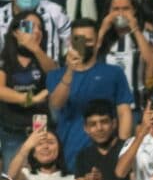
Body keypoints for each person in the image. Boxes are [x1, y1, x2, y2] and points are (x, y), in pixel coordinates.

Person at [46, 18, 134, 170]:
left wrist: (122, 150)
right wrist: (69, 70)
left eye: (89, 40)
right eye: (78, 40)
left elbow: (124, 113)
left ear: (98, 42)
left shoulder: (114, 73)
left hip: (106, 151)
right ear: (69, 42)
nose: (84, 45)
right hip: (68, 150)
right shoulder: (55, 75)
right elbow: (56, 104)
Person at [0, 11, 56, 170]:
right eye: (30, 26)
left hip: (42, 133)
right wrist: (32, 98)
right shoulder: (5, 59)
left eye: (40, 28)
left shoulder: (43, 58)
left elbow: (56, 78)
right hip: (13, 132)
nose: (36, 31)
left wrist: (36, 50)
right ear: (15, 32)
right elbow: (1, 90)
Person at [96, 0, 153, 103]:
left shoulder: (145, 34)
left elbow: (152, 63)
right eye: (116, 9)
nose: (120, 13)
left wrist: (135, 29)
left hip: (136, 103)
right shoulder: (100, 35)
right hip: (106, 105)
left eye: (125, 9)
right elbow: (87, 62)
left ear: (134, 10)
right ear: (108, 11)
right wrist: (102, 30)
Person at [0, 0, 70, 62]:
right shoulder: (1, 16)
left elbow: (73, 40)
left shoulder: (54, 11)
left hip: (50, 72)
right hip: (10, 73)